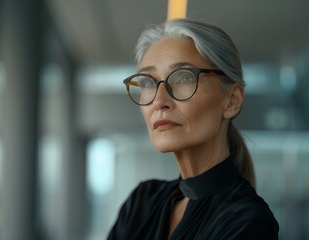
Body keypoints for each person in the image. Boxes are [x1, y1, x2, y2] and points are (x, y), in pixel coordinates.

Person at [107, 18, 279, 239]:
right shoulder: (142, 202)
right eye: (148, 83)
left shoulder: (247, 221)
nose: (159, 101)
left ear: (232, 100)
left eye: (184, 77)